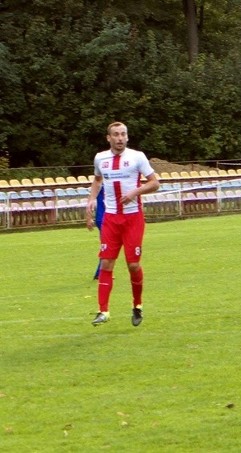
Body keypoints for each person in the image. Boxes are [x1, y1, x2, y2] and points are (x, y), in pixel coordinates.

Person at [86, 122, 160, 326]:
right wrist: (91, 199)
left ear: (127, 137)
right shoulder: (100, 158)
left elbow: (155, 182)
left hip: (132, 218)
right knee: (106, 263)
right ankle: (103, 311)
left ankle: (137, 305)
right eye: (116, 135)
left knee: (133, 264)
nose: (120, 138)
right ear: (108, 138)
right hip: (111, 218)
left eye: (123, 134)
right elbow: (97, 180)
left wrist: (135, 192)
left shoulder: (137, 157)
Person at [93, 186, 105, 280]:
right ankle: (100, 272)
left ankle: (100, 272)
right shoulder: (102, 185)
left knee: (106, 245)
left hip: (103, 218)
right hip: (103, 219)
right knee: (106, 246)